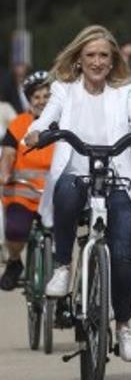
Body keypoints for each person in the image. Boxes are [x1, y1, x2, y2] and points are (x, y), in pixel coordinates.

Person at [24, 25, 131, 363]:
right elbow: (45, 119)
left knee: (121, 255)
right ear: (78, 59)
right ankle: (62, 266)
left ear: (113, 58)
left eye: (104, 55)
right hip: (77, 173)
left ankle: (124, 325)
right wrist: (35, 133)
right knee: (67, 189)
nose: (98, 61)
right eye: (91, 55)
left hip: (117, 177)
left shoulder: (125, 91)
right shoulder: (63, 89)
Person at [0, 71, 53, 291]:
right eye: (36, 97)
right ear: (29, 101)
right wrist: (4, 173)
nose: (41, 101)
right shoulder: (20, 123)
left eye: (46, 96)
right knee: (15, 230)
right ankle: (14, 262)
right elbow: (9, 153)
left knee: (63, 241)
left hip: (52, 196)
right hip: (22, 193)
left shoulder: (63, 123)